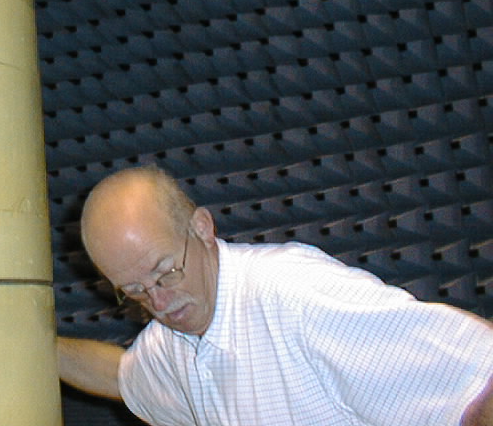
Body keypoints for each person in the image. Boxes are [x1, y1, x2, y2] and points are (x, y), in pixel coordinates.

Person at [58, 164, 493, 426]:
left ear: (202, 228)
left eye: (165, 273)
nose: (159, 303)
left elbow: (477, 376)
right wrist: (35, 344)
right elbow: (121, 377)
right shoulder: (171, 344)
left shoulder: (296, 295)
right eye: (134, 291)